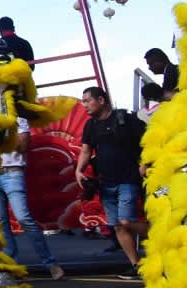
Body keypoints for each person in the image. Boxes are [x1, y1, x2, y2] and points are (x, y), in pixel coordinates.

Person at [75, 86, 147, 280]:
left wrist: (145, 164)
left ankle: (160, 236)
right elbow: (86, 150)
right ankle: (136, 265)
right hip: (105, 183)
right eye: (82, 101)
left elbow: (148, 141)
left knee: (126, 221)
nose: (84, 105)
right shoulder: (91, 125)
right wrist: (79, 170)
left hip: (128, 179)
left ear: (100, 100)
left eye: (87, 100)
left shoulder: (125, 119)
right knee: (117, 226)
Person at [0, 117, 65, 280]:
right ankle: (12, 266)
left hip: (12, 172)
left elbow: (24, 145)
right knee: (0, 222)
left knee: (23, 217)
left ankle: (50, 263)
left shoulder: (16, 117)